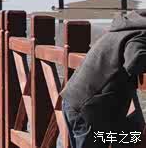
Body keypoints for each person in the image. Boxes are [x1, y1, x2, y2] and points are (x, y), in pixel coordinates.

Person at [61, 10, 146, 148]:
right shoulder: (141, 34)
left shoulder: (125, 27)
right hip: (88, 109)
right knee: (132, 137)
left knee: (132, 137)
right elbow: (135, 62)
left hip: (75, 101)